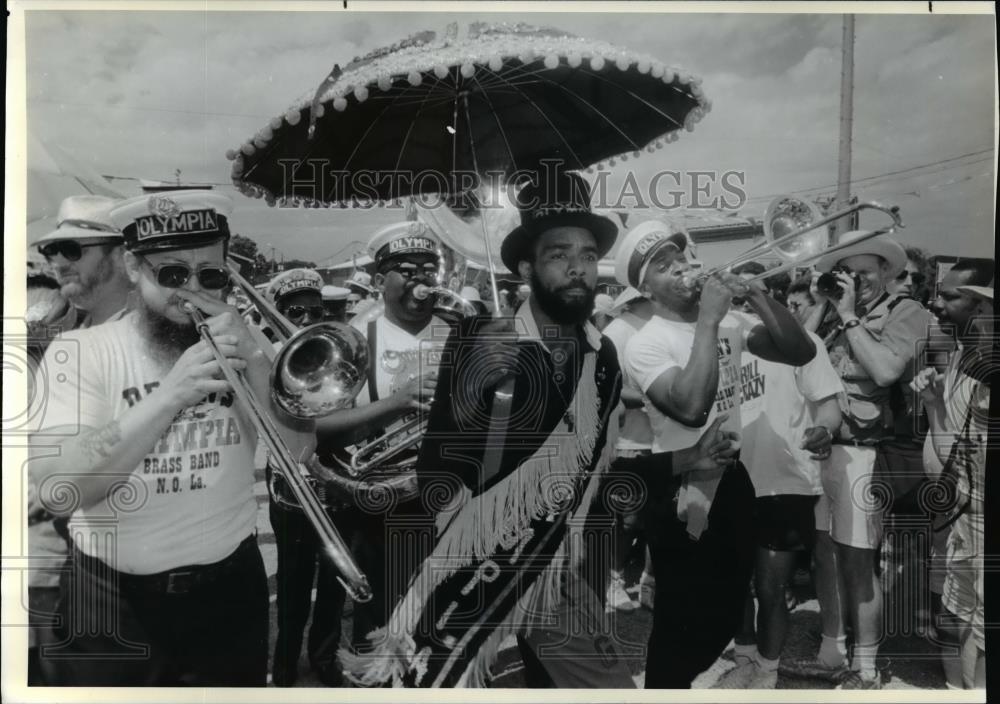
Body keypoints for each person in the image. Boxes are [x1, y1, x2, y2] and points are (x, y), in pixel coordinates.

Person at [338, 170, 738, 688]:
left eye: (589, 256)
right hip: (472, 569)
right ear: (527, 267)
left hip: (558, 572)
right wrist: (479, 387)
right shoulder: (478, 339)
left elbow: (598, 468)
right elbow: (438, 475)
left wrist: (689, 459)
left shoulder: (603, 357)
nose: (578, 269)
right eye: (559, 255)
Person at [29, 190, 316, 686]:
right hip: (114, 600)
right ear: (134, 269)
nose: (192, 292)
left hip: (229, 594)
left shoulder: (246, 346)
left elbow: (299, 451)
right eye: (173, 274)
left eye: (210, 275)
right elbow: (60, 487)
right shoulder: (80, 351)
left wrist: (250, 355)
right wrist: (169, 397)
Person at [620, 220, 816, 689]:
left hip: (732, 478)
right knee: (680, 623)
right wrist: (709, 319)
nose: (682, 270)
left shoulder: (731, 320)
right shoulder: (647, 341)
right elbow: (690, 407)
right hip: (681, 489)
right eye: (663, 268)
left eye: (682, 258)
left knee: (727, 610)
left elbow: (799, 351)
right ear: (645, 288)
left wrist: (760, 297)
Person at [784, 230, 933, 690]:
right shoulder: (833, 310)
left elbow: (887, 370)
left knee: (858, 562)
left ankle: (865, 669)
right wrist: (821, 301)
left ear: (888, 272)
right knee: (825, 555)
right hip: (823, 447)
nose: (858, 281)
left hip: (864, 454)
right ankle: (833, 651)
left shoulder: (909, 313)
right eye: (849, 273)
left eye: (866, 273)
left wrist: (848, 316)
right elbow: (796, 352)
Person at [315, 221, 450, 656]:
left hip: (451, 499)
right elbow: (322, 429)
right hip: (383, 504)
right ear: (378, 281)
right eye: (406, 270)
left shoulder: (462, 334)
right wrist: (399, 402)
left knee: (442, 622)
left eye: (429, 268)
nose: (421, 279)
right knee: (379, 630)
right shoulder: (353, 339)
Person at [26, 195, 133, 684]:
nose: (56, 263)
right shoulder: (67, 342)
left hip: (122, 568)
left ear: (122, 254)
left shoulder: (149, 339)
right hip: (68, 564)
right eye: (51, 252)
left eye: (71, 249)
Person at [718, 279, 843, 689]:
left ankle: (767, 672)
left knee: (772, 587)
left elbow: (828, 404)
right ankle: (744, 656)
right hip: (732, 477)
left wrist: (824, 430)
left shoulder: (804, 342)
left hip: (785, 479)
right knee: (734, 579)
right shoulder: (729, 335)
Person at [913, 259, 993, 689]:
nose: (937, 303)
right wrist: (932, 403)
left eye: (951, 296)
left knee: (984, 637)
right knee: (953, 617)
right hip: (962, 512)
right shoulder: (964, 355)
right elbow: (952, 453)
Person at [263, 269, 344, 686]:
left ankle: (325, 654)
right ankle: (286, 658)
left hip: (334, 478)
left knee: (334, 578)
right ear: (277, 313)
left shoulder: (335, 349)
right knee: (293, 580)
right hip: (291, 485)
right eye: (297, 311)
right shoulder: (269, 357)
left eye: (317, 310)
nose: (309, 318)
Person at [599, 287, 655, 612]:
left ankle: (649, 580)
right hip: (628, 442)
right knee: (627, 518)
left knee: (655, 518)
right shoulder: (618, 332)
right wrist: (657, 397)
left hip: (664, 441)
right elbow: (608, 385)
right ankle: (614, 580)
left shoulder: (669, 328)